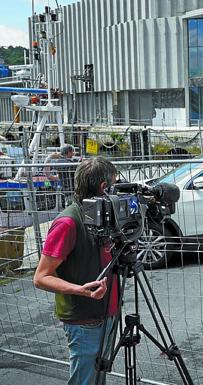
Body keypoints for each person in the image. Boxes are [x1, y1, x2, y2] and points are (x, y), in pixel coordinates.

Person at [33, 157, 119, 385]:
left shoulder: (104, 215)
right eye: (114, 185)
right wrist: (80, 290)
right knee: (85, 381)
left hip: (107, 314)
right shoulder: (68, 223)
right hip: (84, 321)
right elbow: (41, 277)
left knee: (98, 379)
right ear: (104, 187)